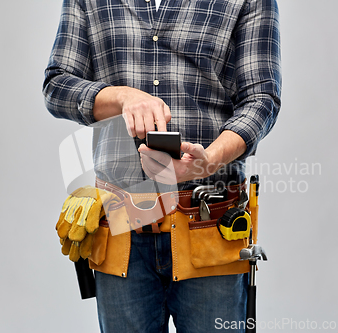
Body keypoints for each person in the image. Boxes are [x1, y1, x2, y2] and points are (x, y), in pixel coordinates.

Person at [43, 0, 281, 331]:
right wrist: (122, 97)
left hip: (210, 224)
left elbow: (261, 98)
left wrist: (207, 162)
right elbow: (57, 86)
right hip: (120, 225)